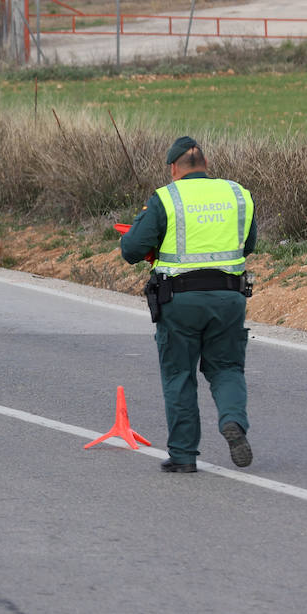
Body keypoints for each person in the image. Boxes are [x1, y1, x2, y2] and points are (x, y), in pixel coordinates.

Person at [120, 136, 257, 473]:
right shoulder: (238, 194)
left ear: (173, 169)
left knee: (180, 374)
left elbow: (132, 250)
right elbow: (248, 244)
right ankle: (233, 421)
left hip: (179, 300)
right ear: (206, 165)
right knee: (226, 369)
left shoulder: (166, 198)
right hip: (229, 297)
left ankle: (183, 456)